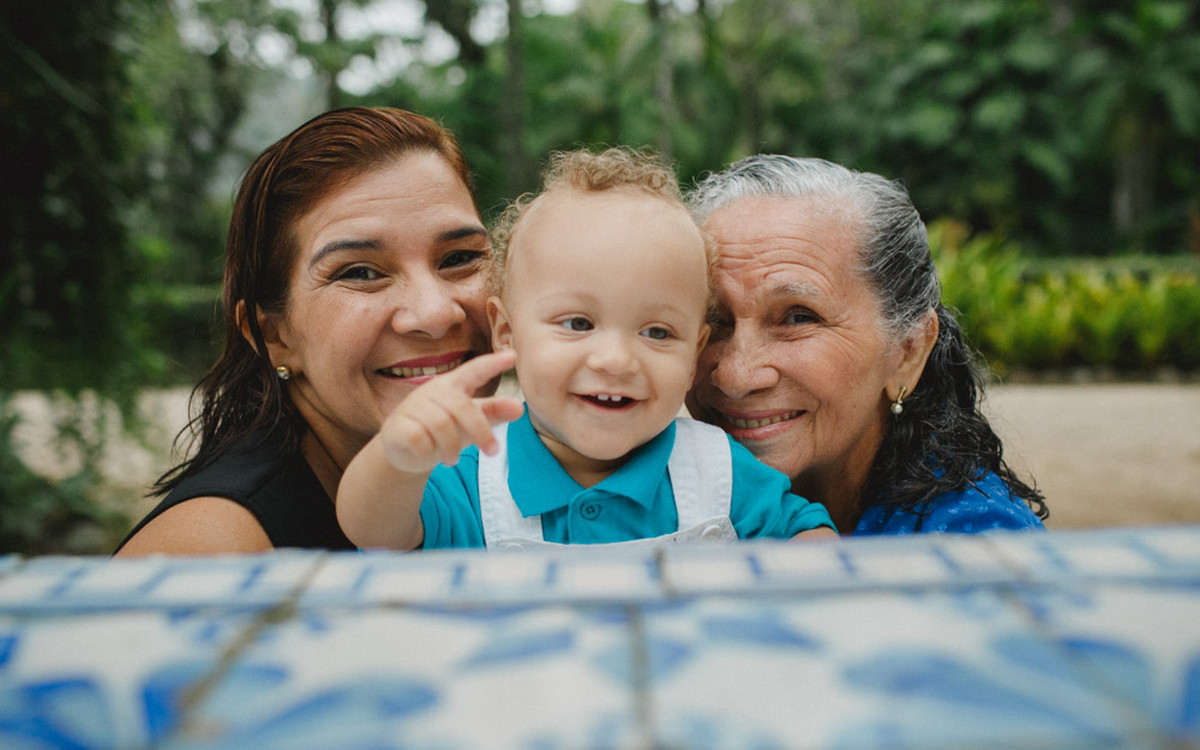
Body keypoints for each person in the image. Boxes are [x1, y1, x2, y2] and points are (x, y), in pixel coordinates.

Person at [336, 148, 837, 550]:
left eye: (657, 333)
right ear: (506, 333)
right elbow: (375, 532)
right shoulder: (477, 471)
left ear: (694, 356)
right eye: (578, 323)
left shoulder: (717, 470)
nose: (616, 360)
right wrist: (396, 458)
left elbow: (807, 535)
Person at [115, 106, 498, 555]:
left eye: (459, 258)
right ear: (273, 335)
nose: (435, 314)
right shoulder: (215, 548)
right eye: (360, 272)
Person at [684, 155, 1048, 535]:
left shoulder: (975, 548)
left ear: (907, 352)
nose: (735, 375)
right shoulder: (660, 505)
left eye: (798, 317)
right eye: (713, 318)